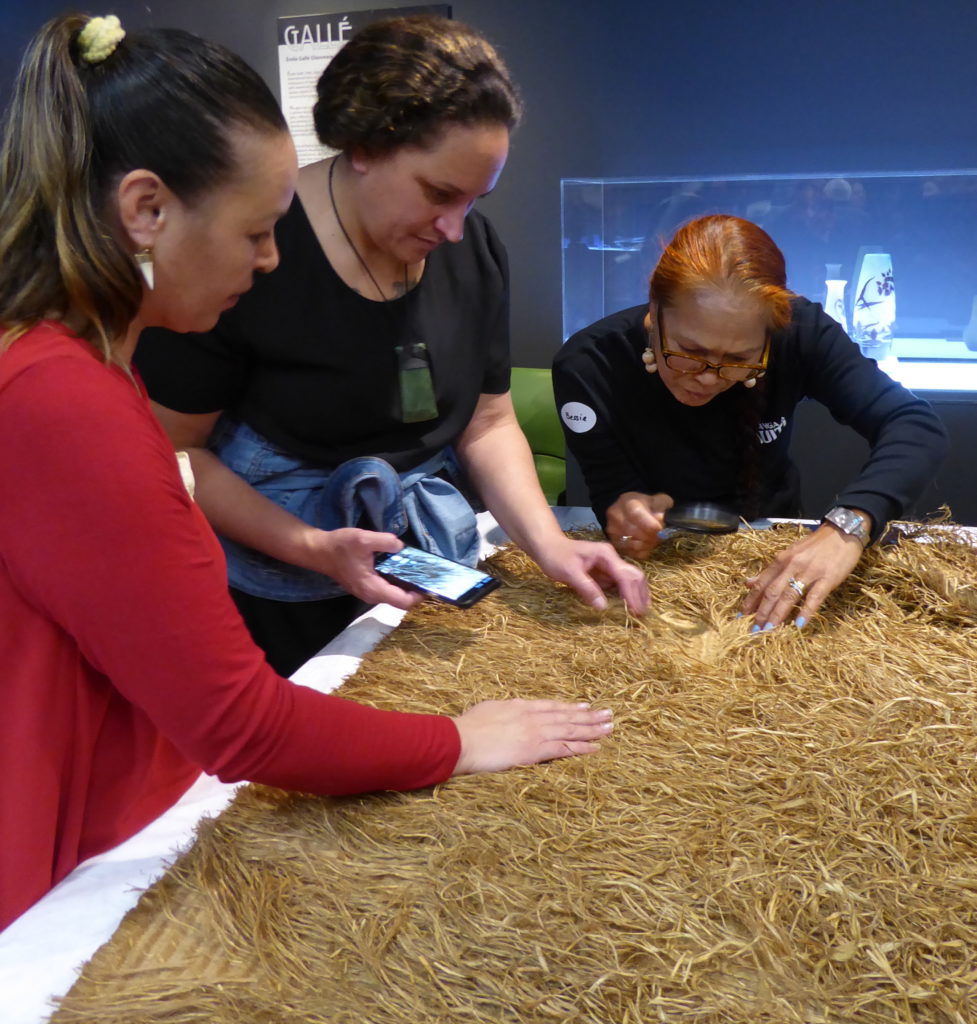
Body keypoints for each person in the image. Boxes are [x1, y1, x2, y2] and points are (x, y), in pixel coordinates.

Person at [0, 14, 617, 932]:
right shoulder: (66, 403)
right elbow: (240, 724)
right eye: (254, 231)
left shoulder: (78, 371)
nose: (269, 256)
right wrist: (456, 741)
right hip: (70, 840)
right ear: (146, 211)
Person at [135, 14, 648, 676]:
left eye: (473, 199)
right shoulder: (253, 256)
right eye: (438, 193)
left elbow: (488, 424)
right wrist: (311, 545)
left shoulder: (475, 253)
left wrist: (549, 544)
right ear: (364, 144)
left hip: (422, 573)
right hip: (279, 593)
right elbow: (177, 453)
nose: (455, 228)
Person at [553, 214, 948, 631]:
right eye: (689, 350)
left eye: (740, 359)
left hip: (771, 542)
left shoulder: (801, 332)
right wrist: (625, 506)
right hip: (656, 566)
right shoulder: (589, 364)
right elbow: (609, 481)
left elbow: (914, 424)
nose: (708, 377)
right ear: (655, 305)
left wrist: (847, 527)